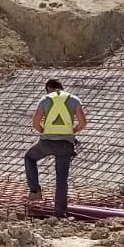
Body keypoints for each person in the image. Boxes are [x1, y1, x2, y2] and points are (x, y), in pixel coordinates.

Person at [24, 78, 87, 217]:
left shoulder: (45, 99)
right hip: (66, 144)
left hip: (47, 143)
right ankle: (60, 212)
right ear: (61, 87)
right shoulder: (74, 99)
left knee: (29, 157)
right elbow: (83, 122)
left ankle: (35, 191)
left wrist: (45, 131)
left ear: (49, 89)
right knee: (61, 179)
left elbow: (35, 123)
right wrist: (72, 131)